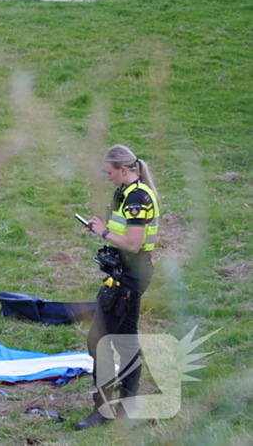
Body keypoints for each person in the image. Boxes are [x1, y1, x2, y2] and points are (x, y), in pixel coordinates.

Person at [75, 144, 160, 430]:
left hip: (130, 275)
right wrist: (103, 226)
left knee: (97, 340)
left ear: (123, 170)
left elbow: (134, 243)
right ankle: (127, 403)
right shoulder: (127, 192)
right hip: (129, 272)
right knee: (126, 337)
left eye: (110, 173)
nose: (108, 177)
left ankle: (103, 410)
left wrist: (103, 232)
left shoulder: (137, 197)